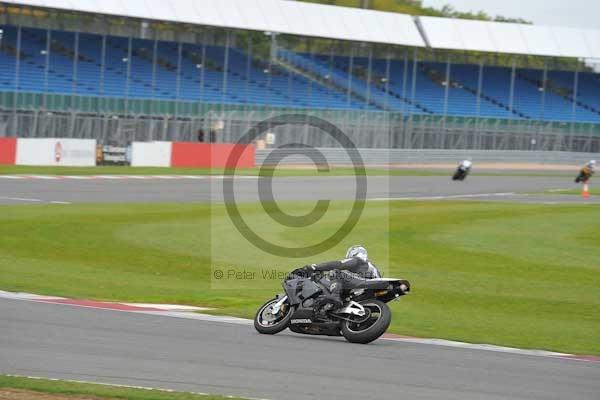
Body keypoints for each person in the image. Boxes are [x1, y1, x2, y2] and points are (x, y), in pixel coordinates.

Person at [290, 245, 381, 314]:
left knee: (336, 271)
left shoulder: (357, 260)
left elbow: (339, 264)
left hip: (362, 283)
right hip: (369, 293)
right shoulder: (373, 267)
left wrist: (315, 267)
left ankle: (335, 296)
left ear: (354, 253)